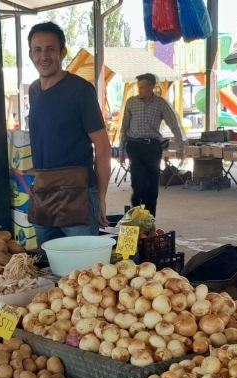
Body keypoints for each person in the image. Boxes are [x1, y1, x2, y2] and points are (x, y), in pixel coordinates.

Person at [26, 21, 111, 245]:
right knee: (47, 260)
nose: (44, 56)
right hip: (43, 192)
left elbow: (103, 146)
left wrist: (101, 197)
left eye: (50, 49)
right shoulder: (34, 90)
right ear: (31, 55)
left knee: (84, 263)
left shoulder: (81, 90)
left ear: (62, 53)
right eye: (37, 50)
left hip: (77, 195)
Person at [119, 73, 185, 217]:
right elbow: (124, 127)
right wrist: (121, 152)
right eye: (138, 87)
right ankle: (137, 219)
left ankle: (149, 220)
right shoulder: (131, 102)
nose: (139, 90)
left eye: (142, 87)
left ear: (152, 87)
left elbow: (175, 126)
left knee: (151, 186)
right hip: (134, 146)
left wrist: (180, 149)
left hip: (152, 148)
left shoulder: (161, 104)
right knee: (139, 185)